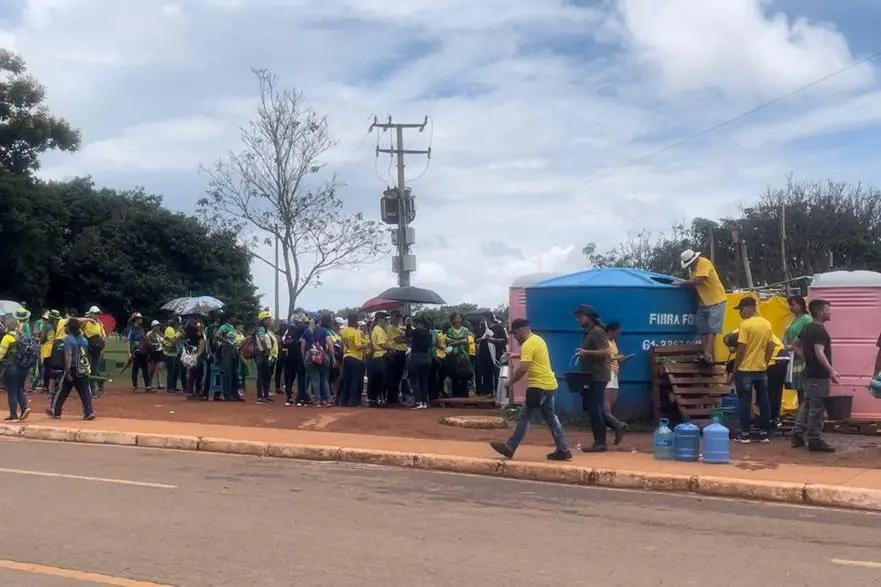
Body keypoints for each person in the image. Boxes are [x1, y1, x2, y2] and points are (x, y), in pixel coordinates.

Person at [490, 319, 572, 461]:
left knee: (525, 417)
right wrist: (515, 355)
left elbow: (523, 368)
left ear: (523, 329)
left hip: (538, 386)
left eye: (516, 334)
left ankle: (510, 447)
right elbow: (533, 357)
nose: (515, 337)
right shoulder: (538, 340)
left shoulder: (527, 344)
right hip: (549, 385)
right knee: (551, 418)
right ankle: (563, 449)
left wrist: (510, 382)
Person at [791, 299, 838, 452]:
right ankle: (814, 439)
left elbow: (795, 345)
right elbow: (820, 352)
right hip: (819, 375)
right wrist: (831, 371)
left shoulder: (808, 328)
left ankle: (797, 434)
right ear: (820, 313)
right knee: (817, 408)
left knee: (808, 404)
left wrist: (806, 357)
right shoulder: (819, 331)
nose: (830, 312)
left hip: (810, 373)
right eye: (827, 310)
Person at [730, 297, 776, 443]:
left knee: (745, 400)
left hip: (745, 369)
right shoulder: (766, 324)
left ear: (748, 308)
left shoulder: (745, 325)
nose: (740, 313)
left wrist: (735, 368)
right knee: (764, 400)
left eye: (741, 310)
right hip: (761, 369)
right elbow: (771, 346)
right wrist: (765, 362)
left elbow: (741, 349)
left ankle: (744, 433)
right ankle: (764, 432)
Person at [677, 249, 727, 363]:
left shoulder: (703, 262)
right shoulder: (692, 269)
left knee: (712, 329)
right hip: (704, 302)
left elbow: (699, 280)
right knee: (703, 329)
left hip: (716, 300)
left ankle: (707, 354)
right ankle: (705, 354)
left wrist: (681, 284)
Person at [575, 305, 613, 452]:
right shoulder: (590, 332)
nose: (579, 320)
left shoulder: (597, 332)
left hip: (598, 376)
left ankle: (600, 443)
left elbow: (606, 352)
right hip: (591, 375)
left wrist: (586, 353)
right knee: (591, 407)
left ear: (588, 316)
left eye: (580, 317)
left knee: (594, 408)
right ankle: (615, 426)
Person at [46, 318, 96, 420]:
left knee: (62, 391)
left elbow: (68, 355)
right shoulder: (84, 340)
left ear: (69, 328)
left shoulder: (68, 339)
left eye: (66, 326)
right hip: (82, 368)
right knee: (85, 391)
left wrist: (68, 371)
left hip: (72, 368)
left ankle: (56, 412)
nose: (65, 327)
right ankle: (89, 411)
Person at [0, 313, 32, 421]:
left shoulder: (7, 337)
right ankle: (25, 407)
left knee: (12, 391)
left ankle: (13, 414)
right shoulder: (20, 335)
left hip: (11, 368)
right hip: (22, 368)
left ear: (7, 326)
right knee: (18, 388)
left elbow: (1, 354)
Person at [603, 322, 631, 444]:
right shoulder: (604, 341)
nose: (619, 334)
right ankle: (611, 425)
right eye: (617, 332)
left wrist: (620, 359)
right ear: (611, 331)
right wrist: (616, 358)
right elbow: (604, 356)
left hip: (614, 371)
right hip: (607, 371)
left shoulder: (613, 342)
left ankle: (611, 423)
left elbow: (612, 356)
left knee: (612, 399)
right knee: (606, 400)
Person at [783, 295, 813, 403]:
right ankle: (801, 410)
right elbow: (786, 335)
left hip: (802, 355)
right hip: (793, 355)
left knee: (804, 386)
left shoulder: (806, 319)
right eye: (790, 306)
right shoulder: (793, 320)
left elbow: (807, 336)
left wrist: (793, 346)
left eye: (794, 305)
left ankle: (804, 410)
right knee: (798, 386)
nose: (791, 308)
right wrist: (787, 345)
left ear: (801, 305)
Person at [301, 314, 334, 407]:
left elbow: (303, 345)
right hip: (322, 357)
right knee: (324, 379)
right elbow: (330, 344)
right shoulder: (324, 331)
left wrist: (303, 357)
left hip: (311, 358)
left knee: (315, 380)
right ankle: (328, 399)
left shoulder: (307, 331)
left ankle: (317, 401)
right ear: (319, 322)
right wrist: (332, 357)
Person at [340, 315, 367, 407]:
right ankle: (353, 401)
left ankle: (344, 401)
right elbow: (358, 346)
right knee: (355, 380)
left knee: (347, 380)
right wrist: (366, 345)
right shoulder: (356, 332)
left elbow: (341, 345)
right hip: (356, 357)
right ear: (355, 321)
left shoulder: (344, 331)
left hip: (346, 356)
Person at [408, 317, 433, 409]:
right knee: (424, 381)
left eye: (417, 323)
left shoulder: (416, 332)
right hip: (426, 358)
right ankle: (424, 402)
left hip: (416, 357)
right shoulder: (429, 334)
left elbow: (408, 334)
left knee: (415, 380)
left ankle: (418, 402)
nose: (416, 324)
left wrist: (408, 324)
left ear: (421, 324)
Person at [445, 312, 473, 398]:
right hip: (453, 355)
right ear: (452, 319)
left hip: (464, 354)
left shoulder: (465, 329)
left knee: (465, 374)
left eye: (459, 318)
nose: (457, 320)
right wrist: (461, 340)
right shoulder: (450, 330)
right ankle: (455, 394)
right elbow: (448, 341)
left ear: (461, 319)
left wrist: (455, 341)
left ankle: (464, 394)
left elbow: (467, 340)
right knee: (454, 374)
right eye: (455, 318)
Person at [82, 306, 107, 397]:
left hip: (97, 348)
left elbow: (103, 337)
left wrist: (102, 347)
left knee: (94, 368)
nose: (97, 315)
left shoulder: (99, 324)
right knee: (87, 368)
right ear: (91, 313)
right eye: (95, 313)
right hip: (87, 348)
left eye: (98, 314)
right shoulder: (86, 322)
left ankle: (93, 388)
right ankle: (88, 389)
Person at [367, 312, 390, 406]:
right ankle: (381, 399)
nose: (385, 321)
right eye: (384, 319)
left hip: (376, 357)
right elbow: (382, 344)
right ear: (380, 319)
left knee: (376, 380)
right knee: (383, 380)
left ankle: (375, 399)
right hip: (381, 356)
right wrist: (390, 348)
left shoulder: (374, 329)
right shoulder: (379, 330)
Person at [385, 312, 407, 406]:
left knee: (398, 376)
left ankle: (395, 397)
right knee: (393, 376)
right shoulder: (391, 328)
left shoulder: (399, 328)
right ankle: (391, 398)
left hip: (401, 352)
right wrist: (405, 337)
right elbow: (398, 340)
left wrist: (404, 337)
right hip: (395, 352)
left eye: (399, 318)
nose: (398, 319)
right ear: (392, 318)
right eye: (396, 317)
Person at [254, 310, 276, 404]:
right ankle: (260, 397)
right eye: (268, 319)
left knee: (266, 375)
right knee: (262, 375)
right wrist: (267, 350)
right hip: (261, 354)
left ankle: (265, 395)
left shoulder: (265, 329)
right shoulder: (261, 329)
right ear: (263, 320)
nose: (270, 321)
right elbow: (262, 340)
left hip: (264, 354)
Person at [37, 310, 60, 392]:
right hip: (57, 349)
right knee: (56, 368)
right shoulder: (59, 326)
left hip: (47, 349)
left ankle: (46, 387)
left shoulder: (47, 325)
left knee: (47, 368)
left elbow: (42, 339)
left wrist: (40, 341)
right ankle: (55, 386)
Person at [127, 313, 150, 392]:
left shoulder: (142, 329)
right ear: (136, 319)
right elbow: (129, 341)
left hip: (143, 350)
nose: (141, 319)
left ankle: (147, 385)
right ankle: (135, 385)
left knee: (145, 368)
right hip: (136, 351)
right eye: (139, 318)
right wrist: (129, 353)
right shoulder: (132, 330)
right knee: (135, 368)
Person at [162, 318, 183, 393]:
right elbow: (173, 341)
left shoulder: (173, 330)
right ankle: (170, 387)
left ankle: (173, 386)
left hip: (174, 353)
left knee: (175, 370)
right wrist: (178, 334)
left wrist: (178, 334)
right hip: (170, 353)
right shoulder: (170, 329)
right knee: (171, 371)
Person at [146, 320, 165, 390]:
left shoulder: (160, 333)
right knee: (152, 369)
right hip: (152, 352)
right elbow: (148, 343)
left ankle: (159, 383)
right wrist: (154, 345)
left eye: (159, 326)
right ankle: (149, 382)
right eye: (157, 326)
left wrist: (162, 343)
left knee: (159, 367)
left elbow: (164, 341)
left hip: (160, 351)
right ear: (153, 326)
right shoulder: (149, 334)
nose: (158, 327)